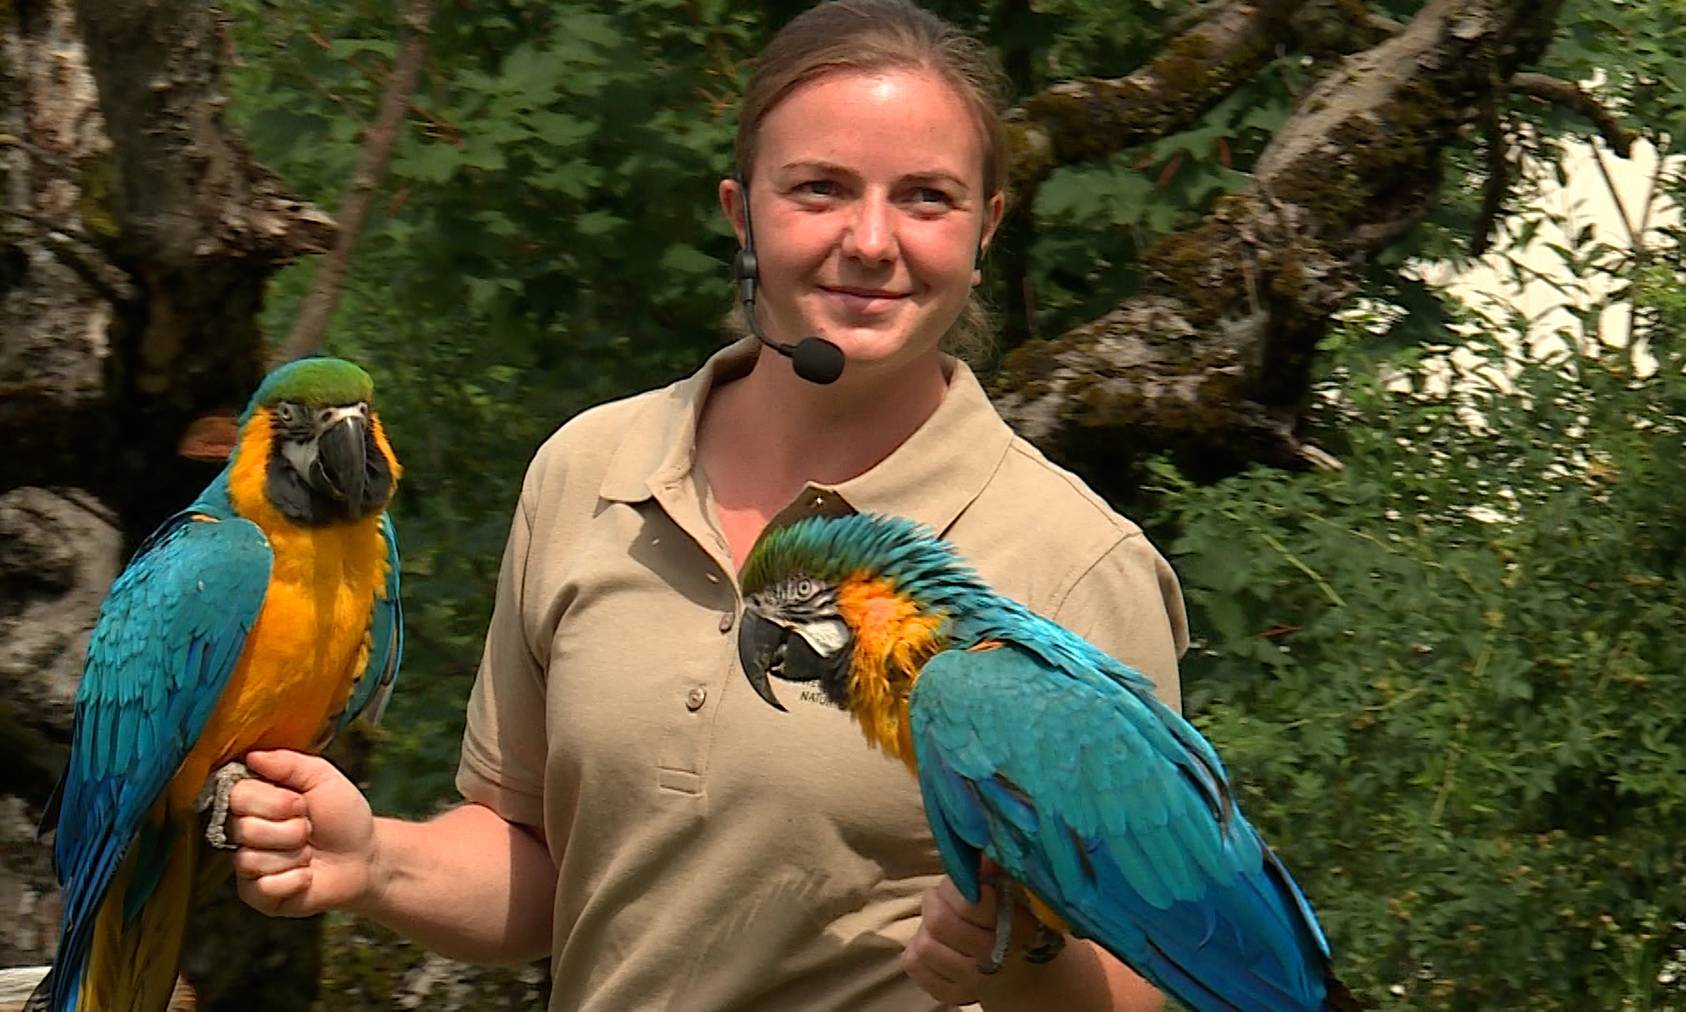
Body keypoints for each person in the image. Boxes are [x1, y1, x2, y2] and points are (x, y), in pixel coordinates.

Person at [225, 2, 1190, 1008]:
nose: (870, 239)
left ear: (987, 227)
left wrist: (1032, 965)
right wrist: (376, 859)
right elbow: (550, 864)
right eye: (819, 189)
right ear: (741, 212)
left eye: (927, 198)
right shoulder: (588, 469)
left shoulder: (1074, 561)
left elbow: (1155, 978)